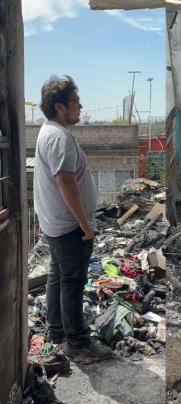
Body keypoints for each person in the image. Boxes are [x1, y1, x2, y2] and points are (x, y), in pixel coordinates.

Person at [34, 75, 112, 361]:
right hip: (68, 227)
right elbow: (65, 181)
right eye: (75, 103)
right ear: (59, 107)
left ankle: (57, 331)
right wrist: (85, 224)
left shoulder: (49, 131)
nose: (80, 107)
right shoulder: (59, 137)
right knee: (73, 282)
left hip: (55, 224)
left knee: (58, 277)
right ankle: (78, 343)